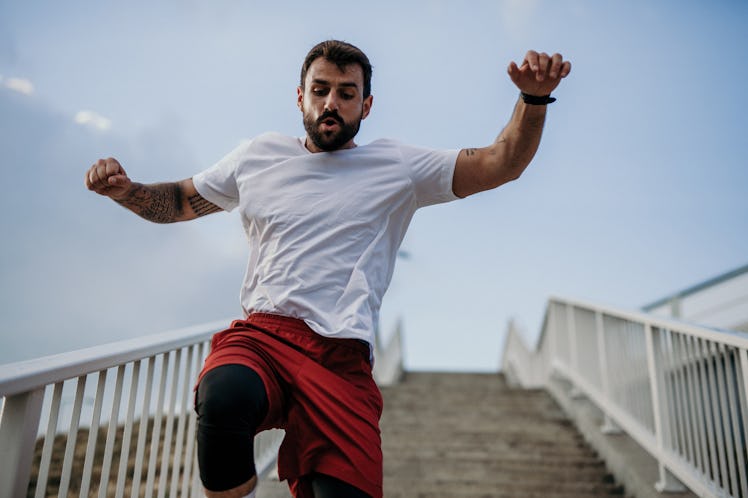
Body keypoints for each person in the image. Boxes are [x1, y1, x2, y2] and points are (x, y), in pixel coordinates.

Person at [85, 40, 571, 498]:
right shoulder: (258, 157)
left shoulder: (397, 166)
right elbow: (178, 202)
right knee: (223, 394)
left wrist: (533, 99)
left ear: (367, 104)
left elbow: (500, 162)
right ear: (301, 98)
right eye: (320, 91)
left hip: (340, 360)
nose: (331, 103)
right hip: (264, 337)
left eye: (346, 93)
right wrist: (126, 191)